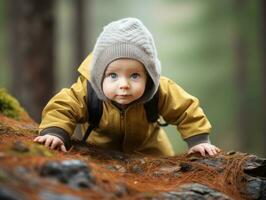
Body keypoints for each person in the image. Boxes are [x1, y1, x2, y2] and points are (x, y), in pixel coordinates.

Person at [34, 18, 220, 156]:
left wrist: (198, 141)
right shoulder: (87, 91)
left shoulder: (160, 90)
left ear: (148, 76)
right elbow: (63, 107)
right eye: (113, 75)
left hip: (150, 150)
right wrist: (55, 133)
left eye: (135, 75)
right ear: (100, 74)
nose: (124, 85)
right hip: (100, 152)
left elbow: (186, 109)